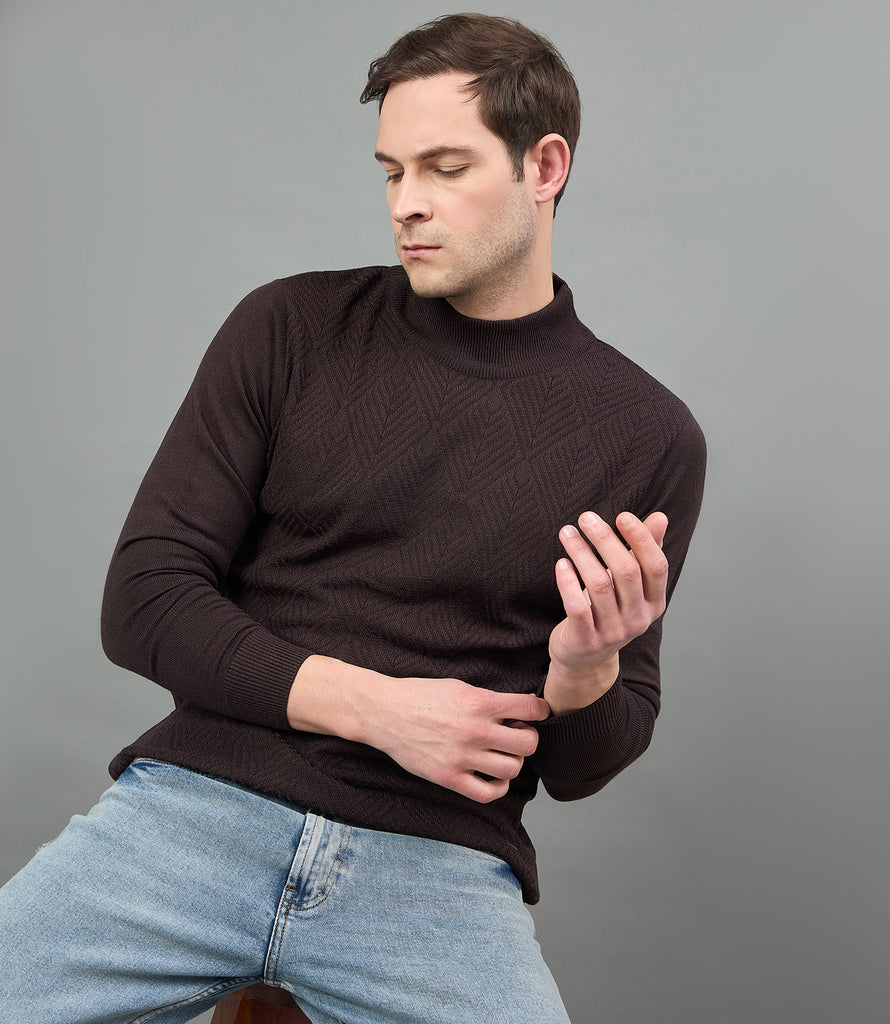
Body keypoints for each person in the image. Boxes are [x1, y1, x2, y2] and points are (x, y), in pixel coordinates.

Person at [0, 13, 705, 1024]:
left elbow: (585, 766)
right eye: (391, 171)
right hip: (196, 813)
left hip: (436, 871)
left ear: (544, 167)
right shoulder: (288, 328)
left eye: (445, 168)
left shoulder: (646, 432)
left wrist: (584, 671)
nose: (406, 203)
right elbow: (144, 599)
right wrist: (377, 709)